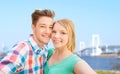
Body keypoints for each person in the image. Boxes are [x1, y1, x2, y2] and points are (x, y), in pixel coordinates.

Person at [0, 9, 55, 74]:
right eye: (42, 26)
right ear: (33, 27)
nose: (47, 31)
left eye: (50, 27)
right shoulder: (23, 48)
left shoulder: (44, 49)